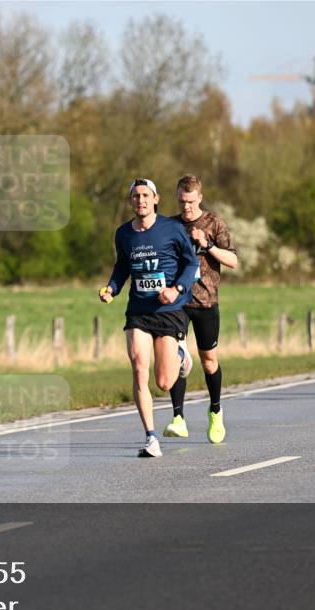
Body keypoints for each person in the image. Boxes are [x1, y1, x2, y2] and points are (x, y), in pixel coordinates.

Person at [99, 178, 200, 457]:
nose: (141, 200)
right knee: (139, 368)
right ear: (130, 201)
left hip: (168, 311)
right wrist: (112, 288)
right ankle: (151, 438)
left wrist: (177, 289)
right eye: (136, 196)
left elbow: (191, 264)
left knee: (164, 382)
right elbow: (122, 267)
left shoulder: (173, 229)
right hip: (139, 311)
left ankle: (181, 355)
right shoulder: (123, 234)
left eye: (146, 195)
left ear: (156, 199)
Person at [162, 174, 238, 445]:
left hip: (206, 302)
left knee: (209, 361)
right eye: (182, 201)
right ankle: (178, 418)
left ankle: (215, 411)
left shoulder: (214, 222)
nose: (186, 207)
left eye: (191, 202)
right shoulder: (169, 226)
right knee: (175, 357)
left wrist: (208, 244)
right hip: (177, 303)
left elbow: (233, 260)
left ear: (200, 198)